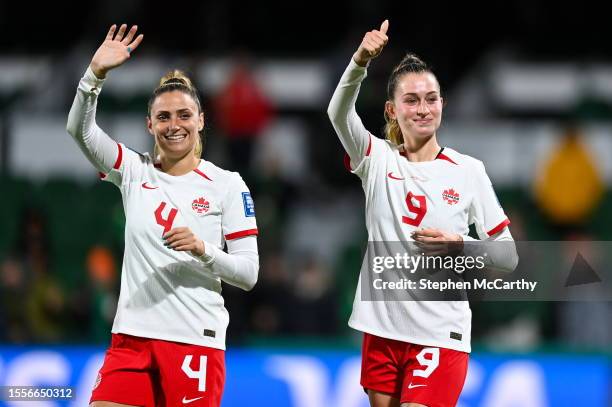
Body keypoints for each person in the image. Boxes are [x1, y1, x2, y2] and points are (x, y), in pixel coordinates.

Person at [327, 20, 518, 407]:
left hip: (439, 331)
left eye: (431, 98)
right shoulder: (375, 158)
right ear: (391, 110)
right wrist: (360, 61)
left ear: (442, 105)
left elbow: (508, 256)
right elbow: (337, 112)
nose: (422, 108)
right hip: (380, 329)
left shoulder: (468, 171)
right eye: (411, 100)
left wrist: (460, 244)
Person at [67, 24, 259, 407]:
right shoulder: (133, 170)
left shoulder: (226, 184)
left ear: (201, 120)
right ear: (149, 125)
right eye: (164, 117)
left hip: (194, 340)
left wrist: (202, 248)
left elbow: (249, 274)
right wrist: (94, 75)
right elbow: (80, 132)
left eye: (184, 115)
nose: (175, 125)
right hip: (131, 338)